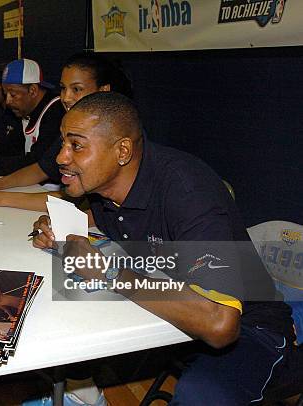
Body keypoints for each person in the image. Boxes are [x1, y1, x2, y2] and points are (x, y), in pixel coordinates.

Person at [31, 92, 296, 405]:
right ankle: (85, 394)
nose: (61, 156)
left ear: (122, 151)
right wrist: (61, 231)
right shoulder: (110, 191)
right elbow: (99, 220)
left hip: (254, 329)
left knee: (201, 393)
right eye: (63, 143)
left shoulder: (187, 192)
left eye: (76, 144)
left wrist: (108, 271)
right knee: (66, 308)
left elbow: (220, 323)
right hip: (178, 310)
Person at [0, 52, 132, 212]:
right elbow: (42, 169)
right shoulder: (72, 128)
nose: (65, 97)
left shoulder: (112, 135)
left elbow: (73, 201)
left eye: (76, 89)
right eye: (63, 88)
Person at [0, 58, 65, 176]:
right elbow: (9, 146)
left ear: (33, 90)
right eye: (5, 93)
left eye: (13, 94)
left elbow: (34, 163)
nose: (8, 101)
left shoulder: (56, 112)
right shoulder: (28, 110)